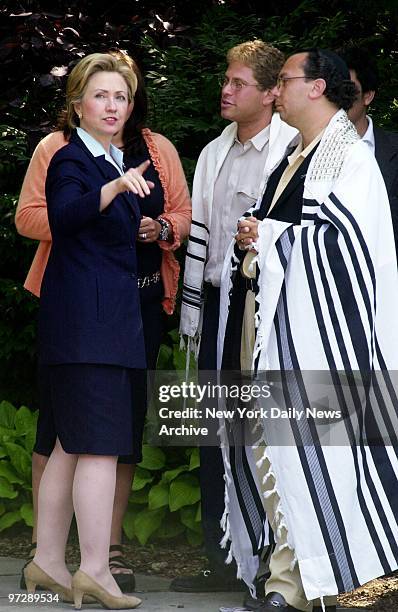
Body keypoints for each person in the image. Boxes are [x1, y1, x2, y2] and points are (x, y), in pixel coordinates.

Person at [218, 49, 398, 612]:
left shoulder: (349, 158)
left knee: (316, 451)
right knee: (272, 448)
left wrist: (270, 238)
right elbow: (295, 231)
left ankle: (319, 584)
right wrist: (258, 237)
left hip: (320, 336)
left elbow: (348, 248)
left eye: (285, 82)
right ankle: (286, 580)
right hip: (272, 321)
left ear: (318, 86)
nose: (274, 93)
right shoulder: (297, 153)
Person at [15, 52, 191, 593]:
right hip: (90, 322)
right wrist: (111, 192)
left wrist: (155, 227)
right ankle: (93, 570)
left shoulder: (119, 157)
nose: (113, 105)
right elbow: (60, 218)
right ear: (77, 105)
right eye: (101, 95)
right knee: (96, 445)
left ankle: (47, 560)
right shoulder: (72, 158)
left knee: (72, 442)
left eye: (121, 96)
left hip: (110, 318)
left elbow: (177, 217)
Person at [177, 40, 297, 593]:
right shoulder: (211, 153)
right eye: (226, 80)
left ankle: (277, 566)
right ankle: (220, 559)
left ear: (273, 93)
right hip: (216, 315)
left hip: (262, 318)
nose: (226, 90)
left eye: (240, 83)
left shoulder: (292, 151)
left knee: (266, 438)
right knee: (210, 435)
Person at [338, 46, 398, 256]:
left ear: (368, 96)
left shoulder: (393, 150)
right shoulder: (304, 151)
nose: (339, 98)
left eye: (348, 89)